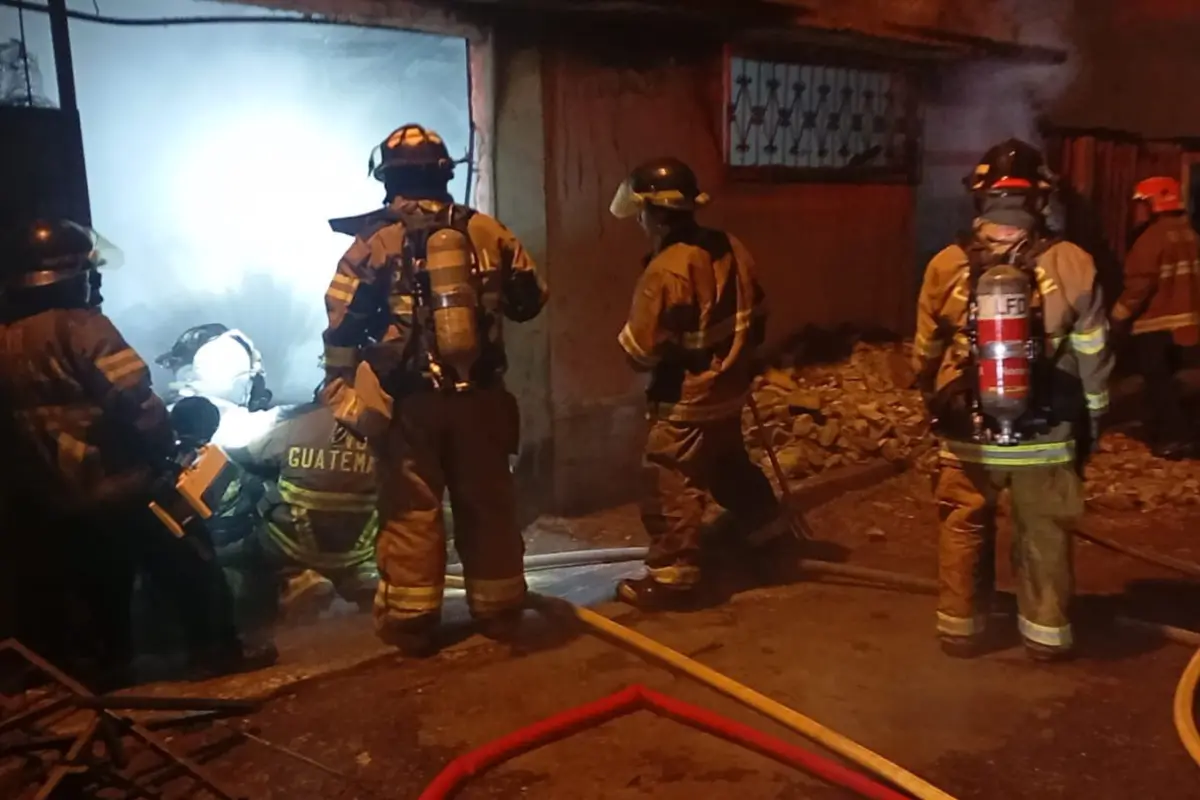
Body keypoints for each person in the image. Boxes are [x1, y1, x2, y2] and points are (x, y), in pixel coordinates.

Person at [0, 218, 274, 685]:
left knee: (99, 580)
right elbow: (136, 400)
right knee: (188, 557)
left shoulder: (8, 337)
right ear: (74, 275)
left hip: (60, 491)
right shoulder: (84, 327)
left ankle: (105, 668)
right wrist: (166, 451)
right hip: (122, 478)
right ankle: (215, 651)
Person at [321, 123, 548, 655]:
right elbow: (529, 300)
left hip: (411, 403)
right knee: (488, 502)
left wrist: (341, 382)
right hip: (483, 398)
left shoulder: (373, 242)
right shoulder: (489, 231)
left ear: (389, 178)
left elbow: (342, 323)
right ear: (446, 174)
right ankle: (498, 610)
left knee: (412, 508)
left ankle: (412, 620)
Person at [913, 139, 1113, 661]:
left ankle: (961, 628)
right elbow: (1094, 355)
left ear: (979, 197)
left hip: (968, 434)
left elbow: (924, 355)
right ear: (1040, 199)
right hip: (1045, 436)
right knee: (1043, 532)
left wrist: (935, 400)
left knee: (963, 524)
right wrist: (1091, 418)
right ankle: (1045, 636)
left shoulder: (945, 265)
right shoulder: (1073, 263)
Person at [608, 156, 785, 611]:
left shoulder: (666, 270)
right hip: (729, 389)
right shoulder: (730, 246)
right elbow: (759, 315)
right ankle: (771, 538)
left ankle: (673, 576)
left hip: (685, 400)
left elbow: (639, 353)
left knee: (669, 479)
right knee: (728, 464)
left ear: (651, 212)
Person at [225, 382, 381, 627]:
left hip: (293, 545)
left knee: (245, 550)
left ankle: (296, 579)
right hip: (358, 548)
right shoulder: (383, 430)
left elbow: (249, 453)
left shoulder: (300, 423)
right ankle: (359, 578)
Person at [1111, 176, 1200, 459]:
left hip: (1156, 326)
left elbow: (1139, 286)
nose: (1138, 210)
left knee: (1158, 386)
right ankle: (1188, 435)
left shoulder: (1151, 239)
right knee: (1183, 385)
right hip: (1190, 325)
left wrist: (1116, 317)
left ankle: (1173, 439)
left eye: (1142, 203)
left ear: (1153, 204)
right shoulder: (1192, 235)